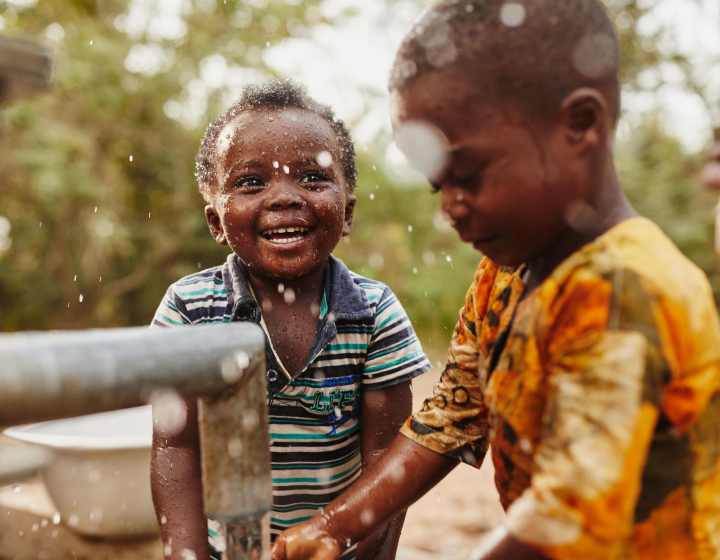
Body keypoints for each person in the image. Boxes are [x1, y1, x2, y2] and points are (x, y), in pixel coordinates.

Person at [270, 1, 720, 559]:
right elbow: (451, 418)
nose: (451, 210)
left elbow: (564, 518)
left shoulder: (627, 289)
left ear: (579, 124)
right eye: (439, 187)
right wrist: (336, 525)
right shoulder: (503, 276)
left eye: (468, 176)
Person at [149, 79, 431, 560]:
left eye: (312, 178)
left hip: (340, 546)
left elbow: (387, 461)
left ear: (346, 213)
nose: (284, 197)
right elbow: (176, 450)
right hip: (226, 551)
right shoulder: (189, 308)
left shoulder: (375, 312)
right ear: (216, 221)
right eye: (251, 182)